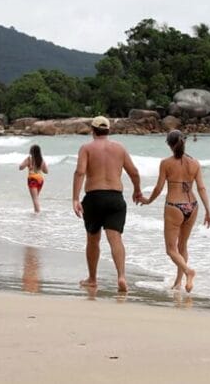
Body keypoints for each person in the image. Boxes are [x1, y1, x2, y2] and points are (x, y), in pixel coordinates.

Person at [71, 116, 142, 293]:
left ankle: (93, 279)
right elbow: (134, 172)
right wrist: (137, 191)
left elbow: (80, 172)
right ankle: (121, 276)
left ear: (92, 130)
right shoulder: (119, 148)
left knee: (93, 239)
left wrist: (75, 198)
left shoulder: (86, 148)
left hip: (94, 198)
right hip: (115, 198)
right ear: (108, 130)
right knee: (115, 239)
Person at [141, 130, 210, 293]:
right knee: (183, 246)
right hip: (192, 206)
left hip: (174, 206)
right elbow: (201, 188)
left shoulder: (166, 163)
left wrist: (148, 201)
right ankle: (178, 283)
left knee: (171, 249)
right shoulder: (195, 163)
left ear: (169, 144)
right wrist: (208, 211)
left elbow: (159, 188)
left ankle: (188, 272)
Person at [19, 144, 48, 213]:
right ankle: (36, 212)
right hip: (40, 179)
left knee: (35, 199)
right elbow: (46, 171)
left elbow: (21, 167)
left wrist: (27, 165)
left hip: (32, 179)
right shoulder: (41, 160)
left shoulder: (29, 159)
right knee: (36, 198)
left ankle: (37, 214)